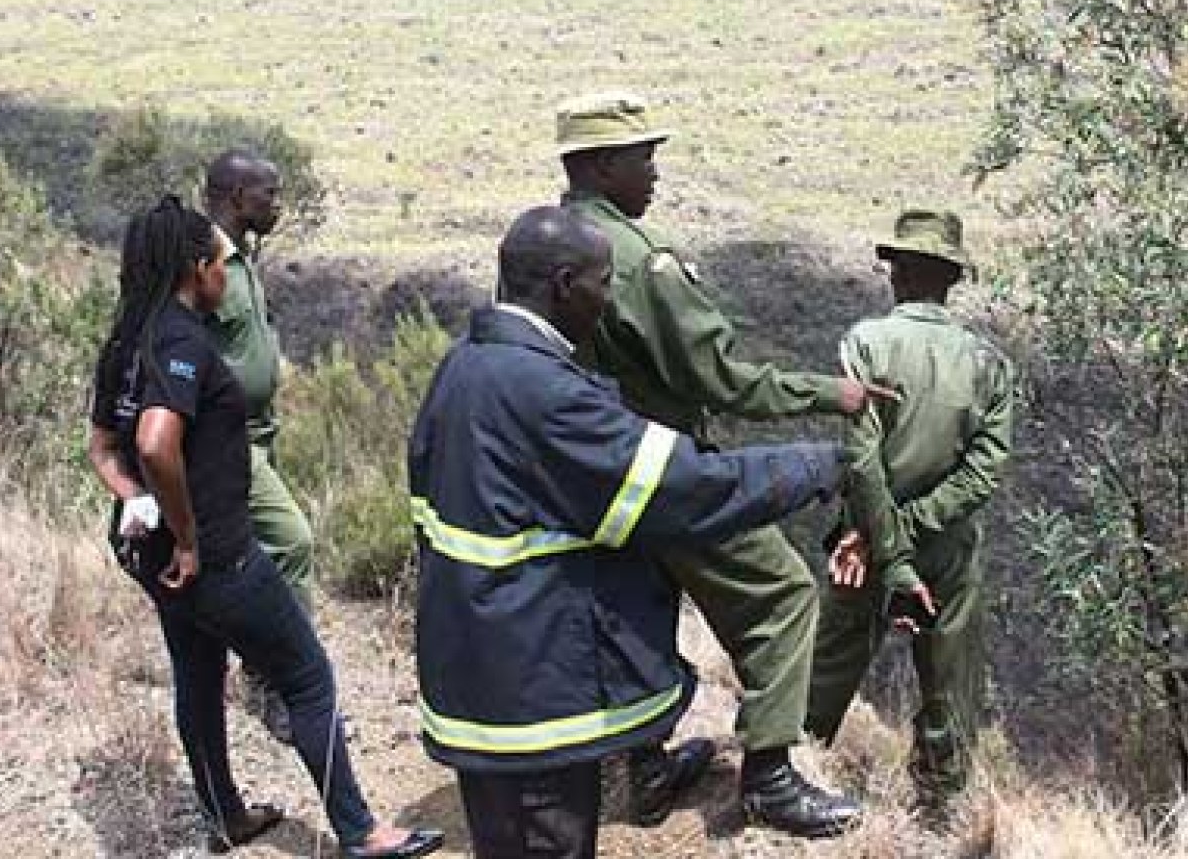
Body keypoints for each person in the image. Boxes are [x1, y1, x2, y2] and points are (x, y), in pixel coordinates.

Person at [408, 205, 847, 859]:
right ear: (562, 284)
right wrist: (816, 465)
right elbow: (685, 491)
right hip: (534, 697)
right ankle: (767, 778)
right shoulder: (543, 391)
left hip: (479, 670)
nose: (609, 298)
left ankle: (650, 763)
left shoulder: (466, 365)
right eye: (603, 282)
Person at [556, 94, 889, 838]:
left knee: (638, 607)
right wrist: (829, 393)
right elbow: (721, 378)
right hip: (661, 470)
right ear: (606, 165)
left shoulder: (547, 244)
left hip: (585, 472)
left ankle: (642, 768)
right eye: (645, 157)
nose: (656, 174)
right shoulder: (640, 262)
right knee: (782, 592)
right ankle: (770, 776)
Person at [85, 196, 442, 859]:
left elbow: (104, 446)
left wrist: (135, 499)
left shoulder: (125, 341)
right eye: (223, 263)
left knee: (197, 674)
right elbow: (157, 442)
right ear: (198, 269)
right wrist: (190, 538)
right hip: (213, 556)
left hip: (149, 556)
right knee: (307, 676)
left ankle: (225, 816)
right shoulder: (182, 341)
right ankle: (361, 832)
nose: (228, 275)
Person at [805, 209, 1016, 817]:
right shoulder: (989, 364)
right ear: (950, 279)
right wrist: (919, 525)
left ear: (896, 272)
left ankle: (794, 783)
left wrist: (880, 534)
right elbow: (983, 473)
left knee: (829, 670)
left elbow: (859, 455)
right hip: (947, 549)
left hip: (864, 543)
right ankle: (942, 814)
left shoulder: (866, 343)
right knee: (949, 684)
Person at [203, 149, 313, 741]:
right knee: (292, 541)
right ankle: (286, 680)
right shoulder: (203, 259)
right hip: (228, 440)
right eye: (269, 194)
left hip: (259, 431)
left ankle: (266, 669)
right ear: (239, 197)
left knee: (258, 552)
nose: (277, 205)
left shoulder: (242, 257)